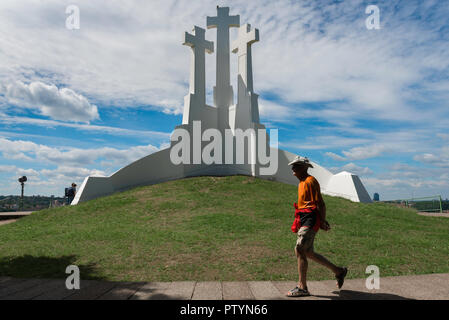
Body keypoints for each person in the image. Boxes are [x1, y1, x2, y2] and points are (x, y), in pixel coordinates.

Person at [286, 156, 347, 297]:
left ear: (305, 167)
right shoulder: (302, 182)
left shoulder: (310, 181)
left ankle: (302, 287)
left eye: (296, 165)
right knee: (307, 252)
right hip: (304, 218)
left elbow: (320, 203)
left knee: (300, 249)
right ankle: (339, 271)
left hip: (310, 218)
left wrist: (323, 221)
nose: (293, 168)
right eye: (293, 166)